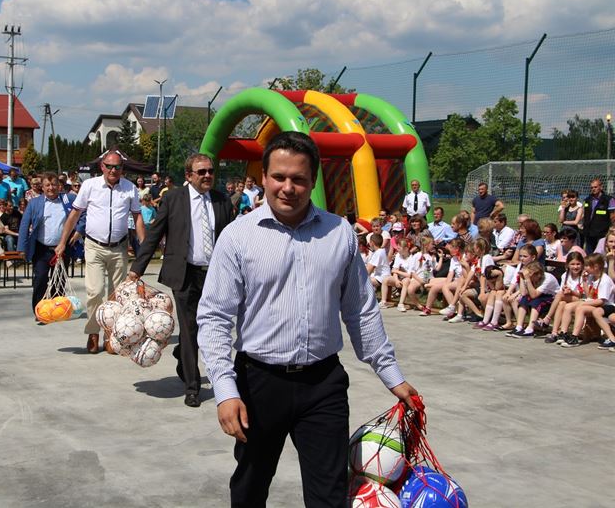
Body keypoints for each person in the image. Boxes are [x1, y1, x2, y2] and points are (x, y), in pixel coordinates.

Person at [196, 132, 417, 507]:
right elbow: (215, 317)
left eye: (298, 179)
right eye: (279, 177)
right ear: (263, 177)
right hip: (259, 384)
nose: (288, 187)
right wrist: (225, 390)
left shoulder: (339, 233)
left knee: (329, 495)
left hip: (323, 385)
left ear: (313, 180)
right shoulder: (237, 237)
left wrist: (391, 374)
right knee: (250, 487)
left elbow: (361, 310)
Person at [128, 154, 234, 407]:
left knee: (209, 328)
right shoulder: (174, 199)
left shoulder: (221, 200)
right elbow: (155, 233)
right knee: (188, 328)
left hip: (214, 275)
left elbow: (231, 238)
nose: (207, 175)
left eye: (210, 171)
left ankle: (182, 353)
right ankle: (192, 386)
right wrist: (137, 269)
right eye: (201, 172)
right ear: (189, 175)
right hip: (185, 274)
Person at [55, 149, 145, 353]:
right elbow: (74, 214)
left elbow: (137, 217)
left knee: (117, 294)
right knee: (95, 292)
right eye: (109, 166)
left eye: (117, 167)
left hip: (119, 247)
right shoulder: (89, 185)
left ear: (122, 168)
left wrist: (144, 247)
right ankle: (93, 333)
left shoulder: (130, 188)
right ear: (102, 167)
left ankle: (111, 335)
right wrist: (62, 242)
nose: (113, 170)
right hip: (94, 246)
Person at [18, 173, 79, 316]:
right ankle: (40, 311)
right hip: (42, 249)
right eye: (47, 185)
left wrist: (79, 232)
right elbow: (24, 224)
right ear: (42, 187)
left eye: (54, 185)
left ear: (59, 186)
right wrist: (21, 247)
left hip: (62, 248)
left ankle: (56, 311)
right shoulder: (35, 203)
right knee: (40, 279)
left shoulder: (68, 200)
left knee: (59, 280)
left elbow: (83, 214)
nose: (51, 188)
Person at [581, 178, 615, 254]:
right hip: (589, 232)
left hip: (602, 232)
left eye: (595, 187)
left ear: (601, 187)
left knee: (601, 253)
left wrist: (611, 228)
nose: (593, 189)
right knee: (589, 254)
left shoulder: (609, 200)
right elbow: (585, 213)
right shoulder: (588, 199)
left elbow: (613, 216)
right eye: (592, 187)